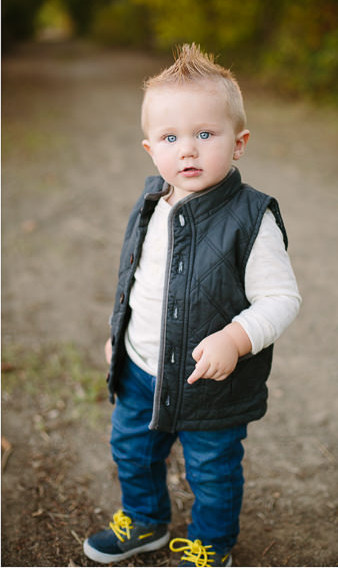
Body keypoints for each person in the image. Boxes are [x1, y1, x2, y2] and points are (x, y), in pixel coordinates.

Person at [83, 43, 301, 567]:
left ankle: (211, 543)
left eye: (205, 134)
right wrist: (122, 331)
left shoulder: (252, 219)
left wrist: (235, 337)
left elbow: (282, 298)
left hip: (211, 383)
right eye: (171, 137)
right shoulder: (152, 204)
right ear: (150, 149)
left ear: (239, 142)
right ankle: (144, 518)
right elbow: (137, 279)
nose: (188, 150)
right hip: (139, 367)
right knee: (132, 450)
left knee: (213, 469)